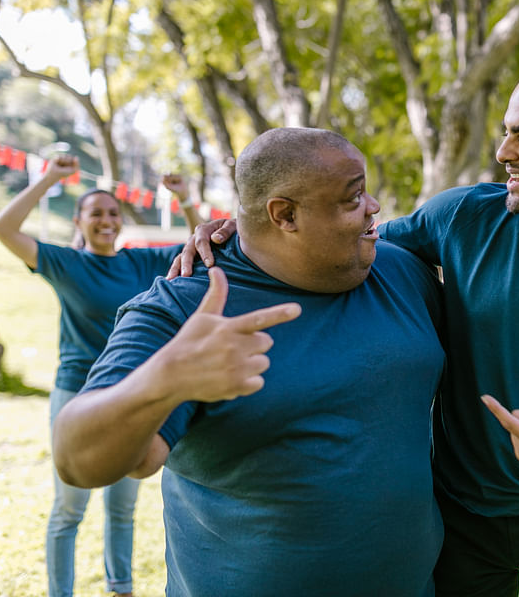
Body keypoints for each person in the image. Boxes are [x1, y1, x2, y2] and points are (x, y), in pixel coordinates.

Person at [174, 57, 519, 596]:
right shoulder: (464, 216)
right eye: (506, 133)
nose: (504, 153)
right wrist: (245, 228)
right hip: (454, 516)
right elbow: (334, 240)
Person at [52, 128, 447, 596]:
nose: (374, 206)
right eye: (352, 196)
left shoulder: (399, 271)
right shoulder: (186, 308)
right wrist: (166, 378)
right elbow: (78, 460)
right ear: (284, 214)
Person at [0, 156, 200, 597]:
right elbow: (4, 230)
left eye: (112, 213)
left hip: (130, 392)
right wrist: (49, 178)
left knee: (123, 508)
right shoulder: (66, 264)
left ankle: (120, 588)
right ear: (80, 220)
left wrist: (184, 200)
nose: (106, 220)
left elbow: (200, 244)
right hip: (75, 393)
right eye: (95, 213)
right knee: (69, 508)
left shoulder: (141, 264)